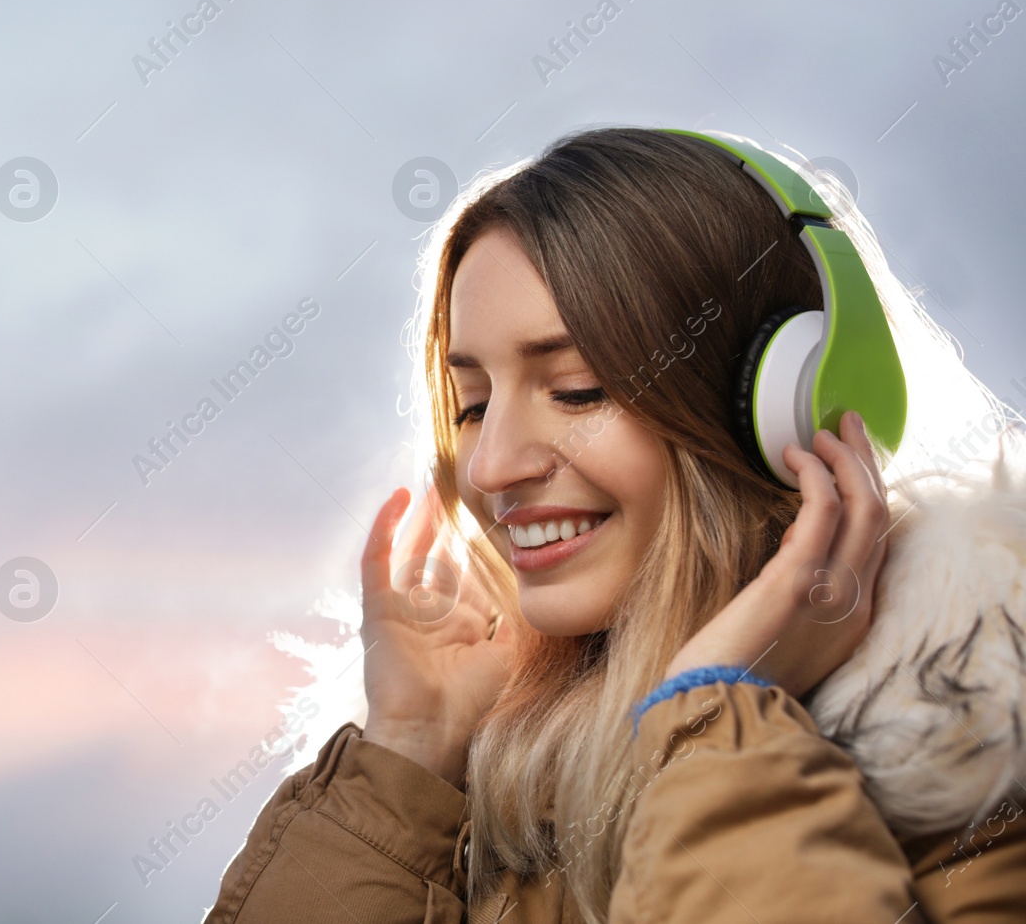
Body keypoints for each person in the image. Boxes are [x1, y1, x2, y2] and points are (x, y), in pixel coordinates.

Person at [204, 127, 1026, 923]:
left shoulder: (972, 765)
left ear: (784, 406)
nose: (489, 468)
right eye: (474, 406)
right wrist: (408, 761)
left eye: (575, 390)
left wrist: (715, 718)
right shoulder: (475, 801)